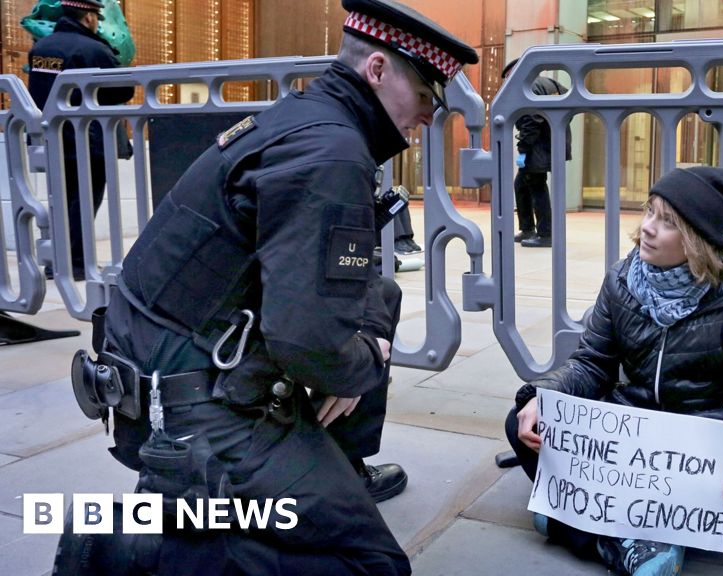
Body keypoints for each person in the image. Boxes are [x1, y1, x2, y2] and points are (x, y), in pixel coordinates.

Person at [60, 0, 477, 574]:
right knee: (369, 564)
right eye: (426, 96)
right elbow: (307, 343)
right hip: (196, 409)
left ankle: (327, 472)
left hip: (163, 366)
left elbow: (333, 285)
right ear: (377, 70)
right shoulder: (332, 153)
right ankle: (131, 547)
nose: (430, 116)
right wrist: (364, 361)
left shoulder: (306, 119)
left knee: (377, 302)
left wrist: (355, 349)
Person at [505, 166, 723, 575]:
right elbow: (591, 362)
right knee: (524, 420)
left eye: (668, 221)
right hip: (627, 440)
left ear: (698, 239)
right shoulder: (622, 279)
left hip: (695, 448)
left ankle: (579, 525)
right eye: (649, 211)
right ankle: (641, 538)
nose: (647, 227)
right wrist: (545, 395)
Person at [27, 0, 134, 281]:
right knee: (84, 202)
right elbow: (122, 90)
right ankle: (75, 263)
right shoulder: (93, 49)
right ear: (88, 17)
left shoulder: (41, 48)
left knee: (60, 201)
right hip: (88, 139)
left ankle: (55, 262)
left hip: (52, 137)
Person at [502, 57, 571, 248]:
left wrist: (523, 149)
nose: (507, 81)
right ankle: (528, 229)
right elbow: (569, 105)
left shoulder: (529, 86)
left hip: (538, 147)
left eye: (508, 77)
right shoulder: (550, 83)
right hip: (553, 143)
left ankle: (545, 234)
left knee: (536, 186)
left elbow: (531, 121)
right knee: (522, 184)